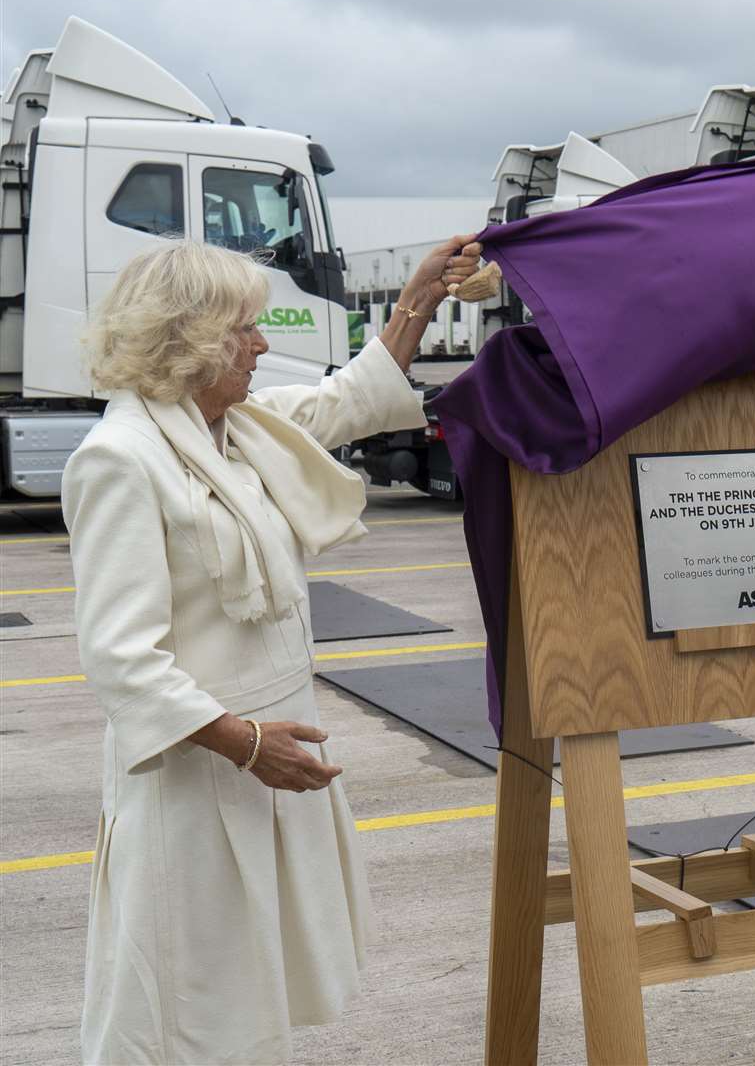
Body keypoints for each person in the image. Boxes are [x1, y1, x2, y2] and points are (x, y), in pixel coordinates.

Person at [63, 235, 481, 1063]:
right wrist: (247, 745)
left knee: (247, 989)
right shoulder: (121, 458)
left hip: (266, 758)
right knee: (186, 1001)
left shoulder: (231, 428)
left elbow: (346, 401)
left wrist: (416, 303)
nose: (261, 344)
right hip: (200, 775)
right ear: (187, 340)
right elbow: (121, 658)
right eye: (244, 328)